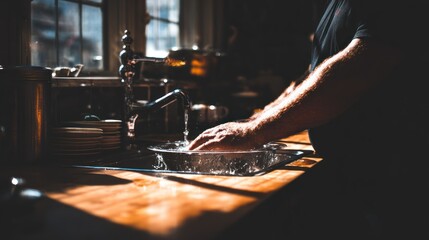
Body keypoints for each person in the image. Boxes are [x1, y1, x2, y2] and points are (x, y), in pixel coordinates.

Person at [188, 0, 429, 239]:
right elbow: (315, 74)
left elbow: (353, 70)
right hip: (348, 177)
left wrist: (255, 131)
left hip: (388, 178)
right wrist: (261, 116)